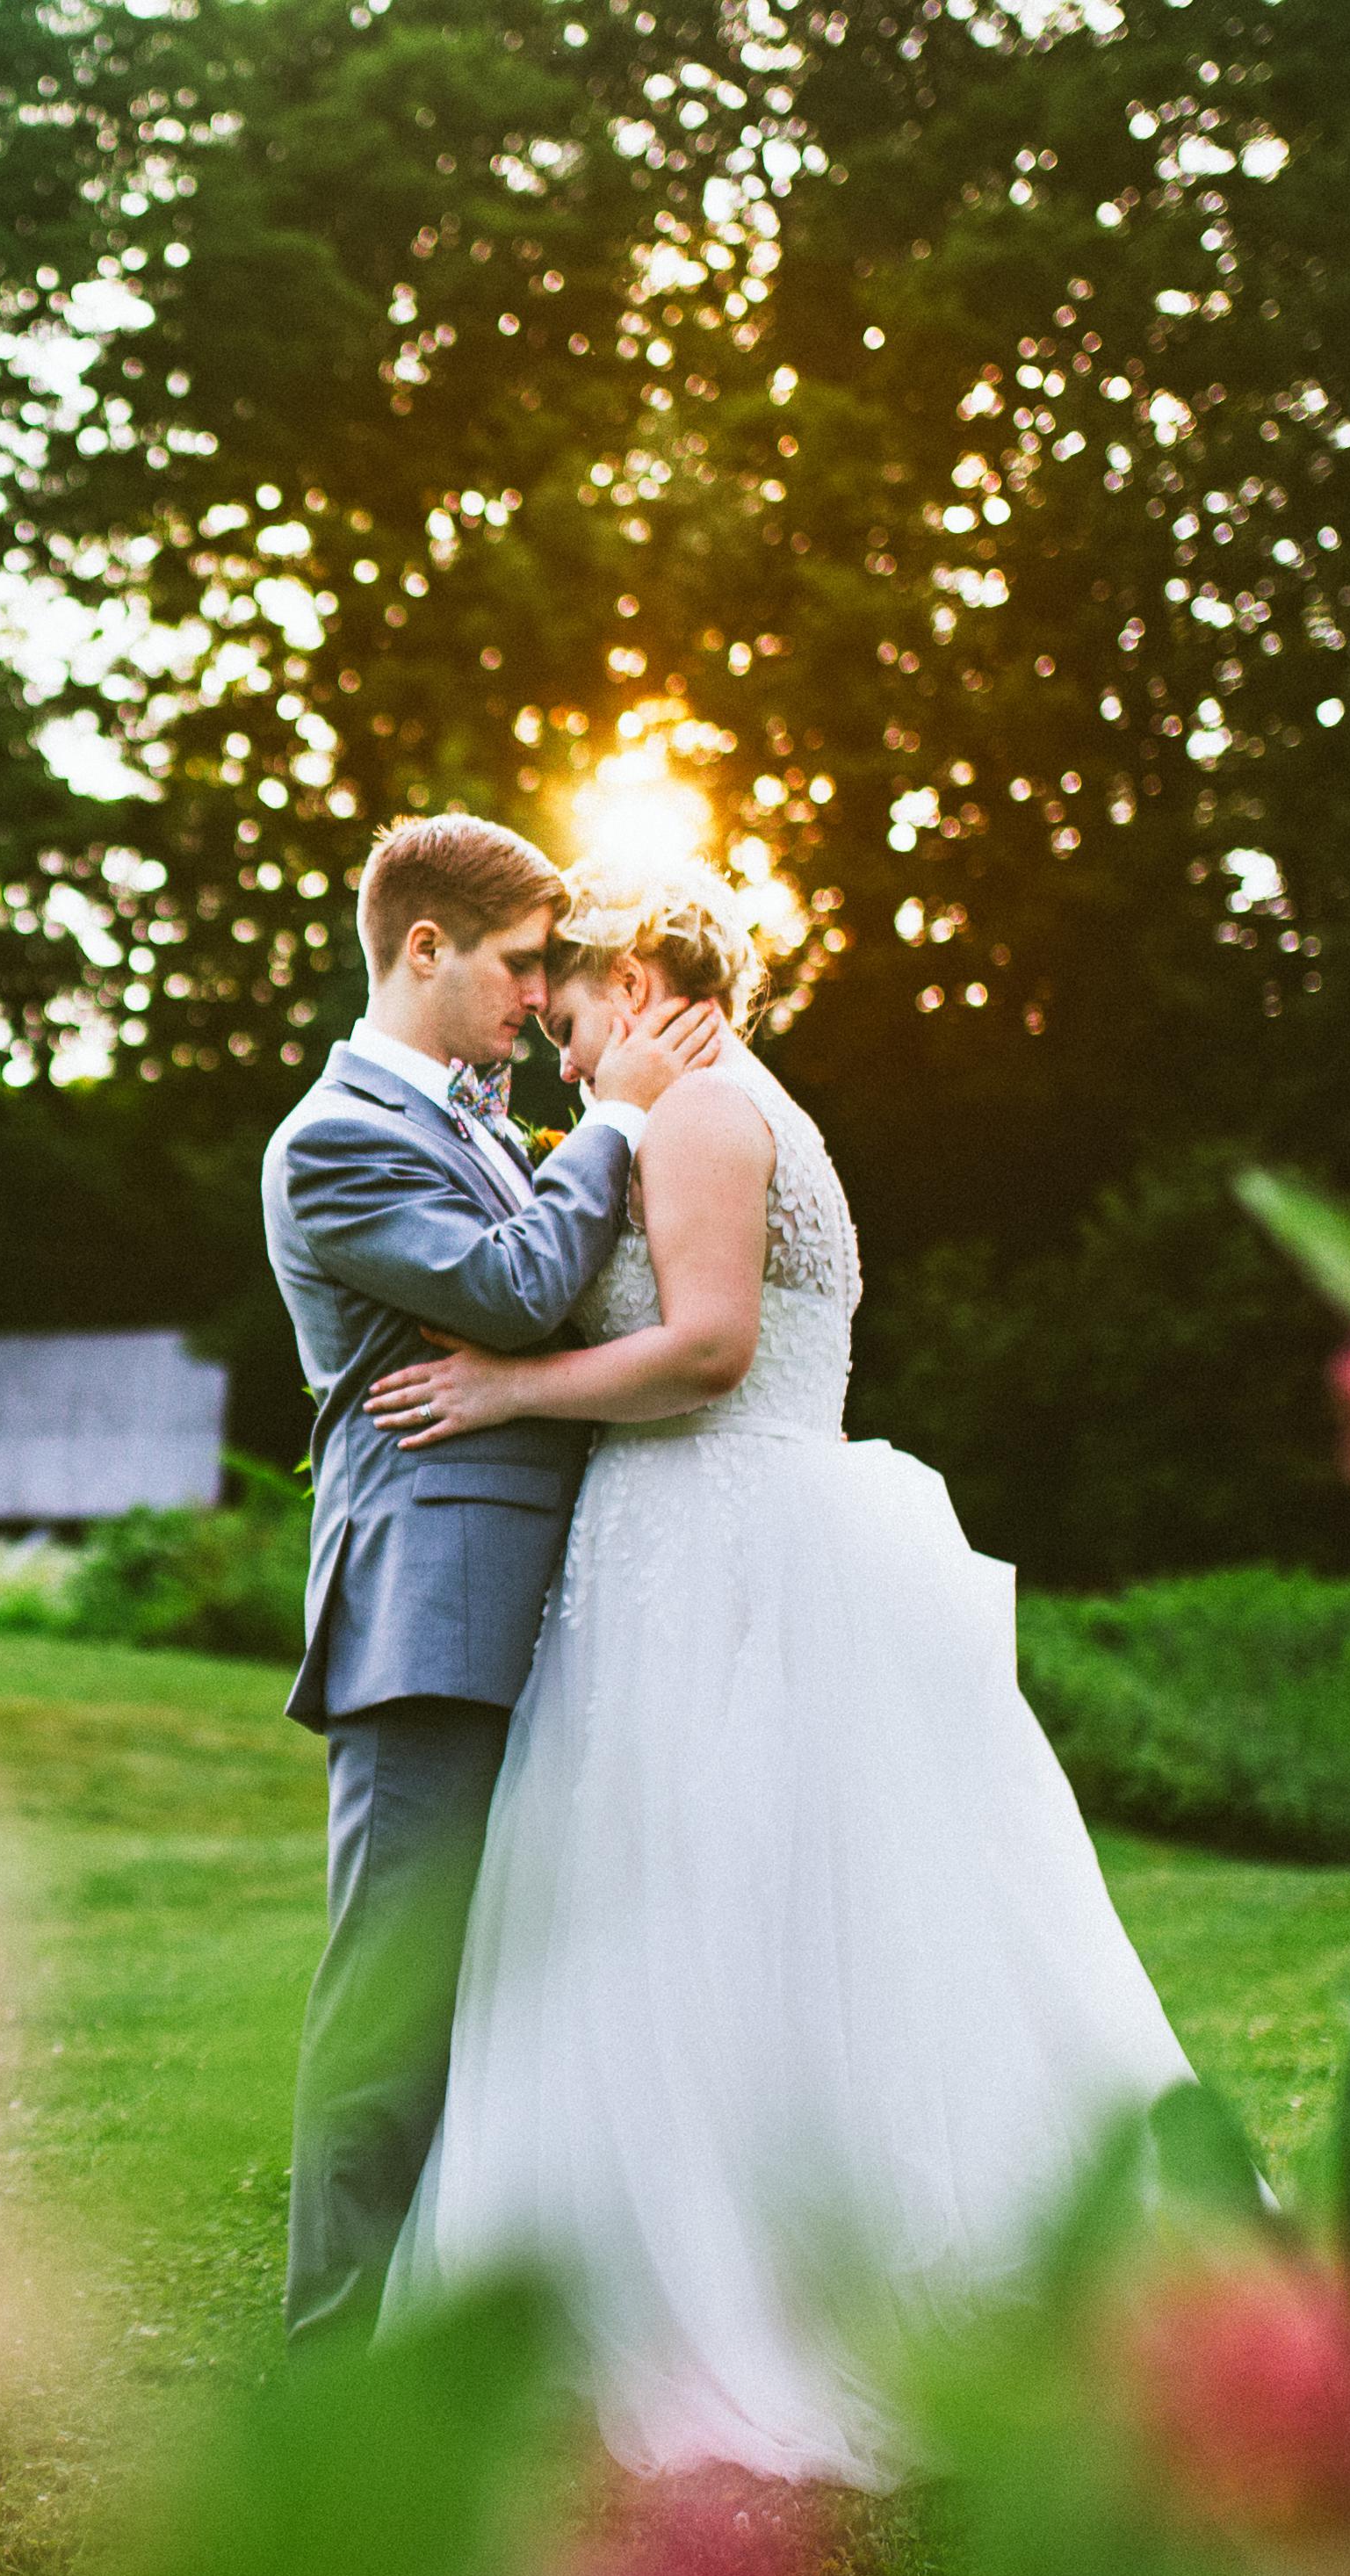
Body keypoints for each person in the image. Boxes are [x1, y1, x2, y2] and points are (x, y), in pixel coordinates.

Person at [355, 845, 1200, 2480]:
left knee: (718, 1901)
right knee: (702, 1913)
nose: (561, 1038)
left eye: (577, 1004)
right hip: (686, 1533)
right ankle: (694, 2245)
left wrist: (506, 1392)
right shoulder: (705, 1108)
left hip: (720, 1539)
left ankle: (751, 2288)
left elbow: (711, 1346)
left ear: (644, 986)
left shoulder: (709, 1110)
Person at [254, 813, 723, 2354]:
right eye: (520, 965)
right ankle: (327, 2370)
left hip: (551, 1600)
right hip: (430, 1616)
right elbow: (519, 1291)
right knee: (392, 2004)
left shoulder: (470, 1116)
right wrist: (627, 1118)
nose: (539, 996)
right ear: (425, 949)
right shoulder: (333, 1140)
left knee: (521, 1990)